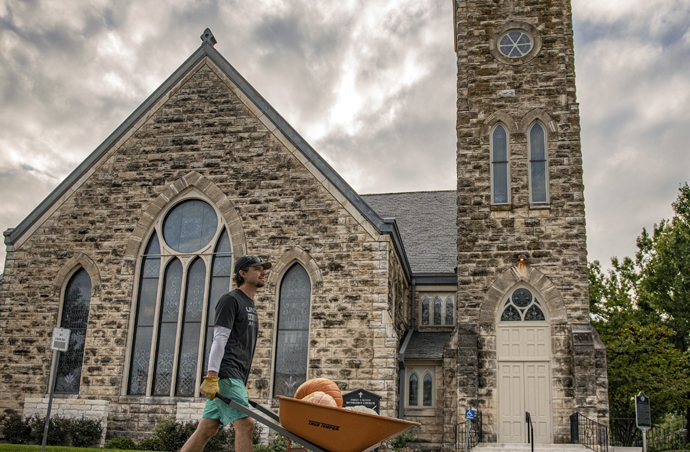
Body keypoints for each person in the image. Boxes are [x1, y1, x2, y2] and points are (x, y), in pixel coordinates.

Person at [180, 255, 271, 452]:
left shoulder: (250, 305)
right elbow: (219, 338)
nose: (263, 272)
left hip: (235, 375)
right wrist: (212, 376)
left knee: (207, 428)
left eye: (263, 269)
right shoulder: (231, 300)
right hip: (226, 373)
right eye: (257, 268)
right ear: (243, 273)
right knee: (246, 424)